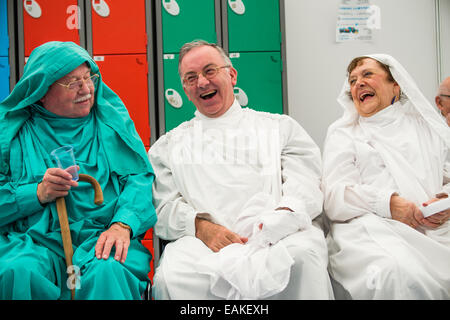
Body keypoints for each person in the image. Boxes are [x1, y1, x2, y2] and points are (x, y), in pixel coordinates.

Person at [148, 40, 333, 300]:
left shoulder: (279, 128)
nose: (201, 82)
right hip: (206, 244)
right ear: (185, 90)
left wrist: (280, 219)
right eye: (191, 78)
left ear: (231, 75)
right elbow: (164, 207)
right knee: (174, 276)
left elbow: (306, 183)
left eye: (210, 71)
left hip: (277, 234)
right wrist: (201, 227)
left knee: (303, 258)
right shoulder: (168, 146)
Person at [0, 41, 157, 299]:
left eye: (89, 78)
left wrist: (122, 224)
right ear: (41, 90)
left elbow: (139, 180)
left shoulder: (111, 124)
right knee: (17, 271)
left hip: (100, 236)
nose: (86, 89)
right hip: (31, 242)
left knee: (107, 271)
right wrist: (37, 193)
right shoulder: (10, 135)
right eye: (72, 83)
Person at [322, 54, 450, 299]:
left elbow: (445, 176)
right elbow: (334, 196)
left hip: (434, 226)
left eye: (367, 74)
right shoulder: (345, 133)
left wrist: (445, 202)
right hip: (372, 226)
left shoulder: (424, 128)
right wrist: (388, 204)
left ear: (396, 86)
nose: (358, 83)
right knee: (398, 272)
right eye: (352, 80)